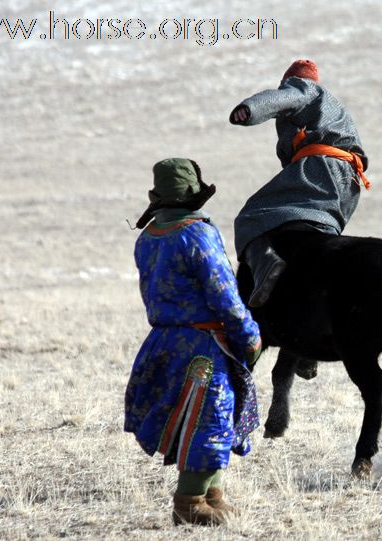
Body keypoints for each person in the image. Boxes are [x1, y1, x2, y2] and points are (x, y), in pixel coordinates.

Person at [124, 158, 262, 527]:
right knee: (210, 418)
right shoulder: (197, 234)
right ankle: (190, 501)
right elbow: (224, 293)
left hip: (163, 342)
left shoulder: (148, 237)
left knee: (198, 419)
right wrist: (249, 336)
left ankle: (213, 494)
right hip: (202, 346)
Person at [230, 59, 371, 307]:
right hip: (348, 183)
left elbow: (281, 99)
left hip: (320, 169)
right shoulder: (335, 110)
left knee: (252, 214)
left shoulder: (304, 89)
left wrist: (250, 109)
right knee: (317, 227)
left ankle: (265, 263)